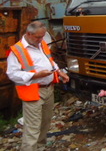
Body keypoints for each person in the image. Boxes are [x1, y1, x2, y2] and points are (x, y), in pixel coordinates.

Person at [6, 21, 70, 151]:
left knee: (45, 124)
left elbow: (50, 62)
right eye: (38, 37)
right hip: (33, 92)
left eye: (42, 36)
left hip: (48, 90)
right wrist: (35, 75)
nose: (41, 39)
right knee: (33, 128)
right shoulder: (17, 51)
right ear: (29, 34)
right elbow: (12, 74)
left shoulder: (41, 44)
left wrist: (59, 71)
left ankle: (40, 147)